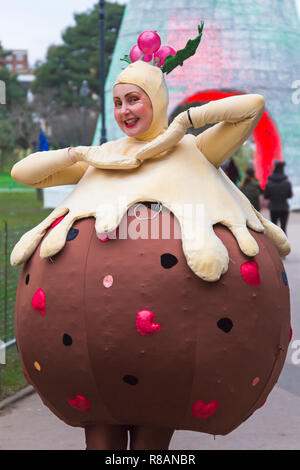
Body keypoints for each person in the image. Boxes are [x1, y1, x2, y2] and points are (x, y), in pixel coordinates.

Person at [10, 33, 290, 451]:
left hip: (170, 348)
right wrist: (80, 155)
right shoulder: (105, 157)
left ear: (156, 101)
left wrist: (186, 122)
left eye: (135, 99)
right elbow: (24, 172)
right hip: (91, 349)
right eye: (119, 102)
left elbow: (251, 108)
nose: (126, 110)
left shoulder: (194, 148)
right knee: (100, 438)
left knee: (151, 443)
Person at [264, 161, 293, 234]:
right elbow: (289, 195)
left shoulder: (269, 182)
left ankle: (274, 245)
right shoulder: (287, 182)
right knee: (283, 228)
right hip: (284, 208)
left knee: (274, 229)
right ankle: (284, 245)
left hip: (273, 208)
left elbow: (266, 196)